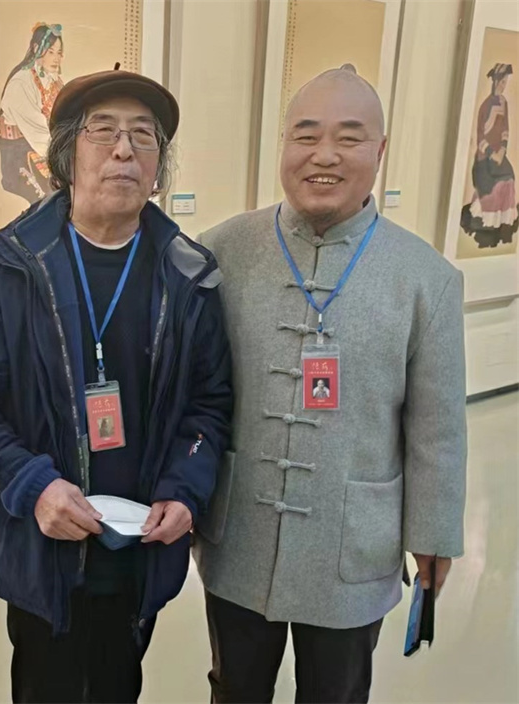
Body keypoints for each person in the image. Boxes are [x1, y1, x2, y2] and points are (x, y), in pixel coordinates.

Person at [0, 66, 232, 704]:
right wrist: (32, 484)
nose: (124, 150)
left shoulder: (187, 276)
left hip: (139, 544)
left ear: (158, 165)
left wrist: (185, 486)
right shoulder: (6, 267)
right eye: (103, 131)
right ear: (66, 155)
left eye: (143, 136)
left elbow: (209, 405)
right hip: (42, 545)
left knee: (120, 684)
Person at [194, 65, 467, 704]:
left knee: (337, 694)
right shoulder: (221, 252)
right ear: (283, 144)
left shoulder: (425, 278)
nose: (324, 155)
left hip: (354, 542)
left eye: (348, 137)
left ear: (380, 150)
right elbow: (192, 394)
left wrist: (434, 533)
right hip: (241, 533)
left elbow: (437, 426)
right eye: (306, 135)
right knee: (235, 688)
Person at [0, 22, 65, 204]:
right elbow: (38, 132)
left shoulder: (53, 79)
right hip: (20, 152)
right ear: (36, 49)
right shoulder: (21, 83)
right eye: (50, 52)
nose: (56, 58)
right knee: (49, 201)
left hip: (46, 144)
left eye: (58, 53)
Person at [461, 63, 518, 248]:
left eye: (505, 82)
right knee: (491, 184)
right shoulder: (485, 106)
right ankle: (485, 221)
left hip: (499, 154)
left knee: (509, 177)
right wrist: (491, 153)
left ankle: (501, 222)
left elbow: (506, 129)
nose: (503, 85)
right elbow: (480, 137)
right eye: (501, 81)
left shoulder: (504, 103)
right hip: (485, 157)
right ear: (495, 81)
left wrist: (502, 150)